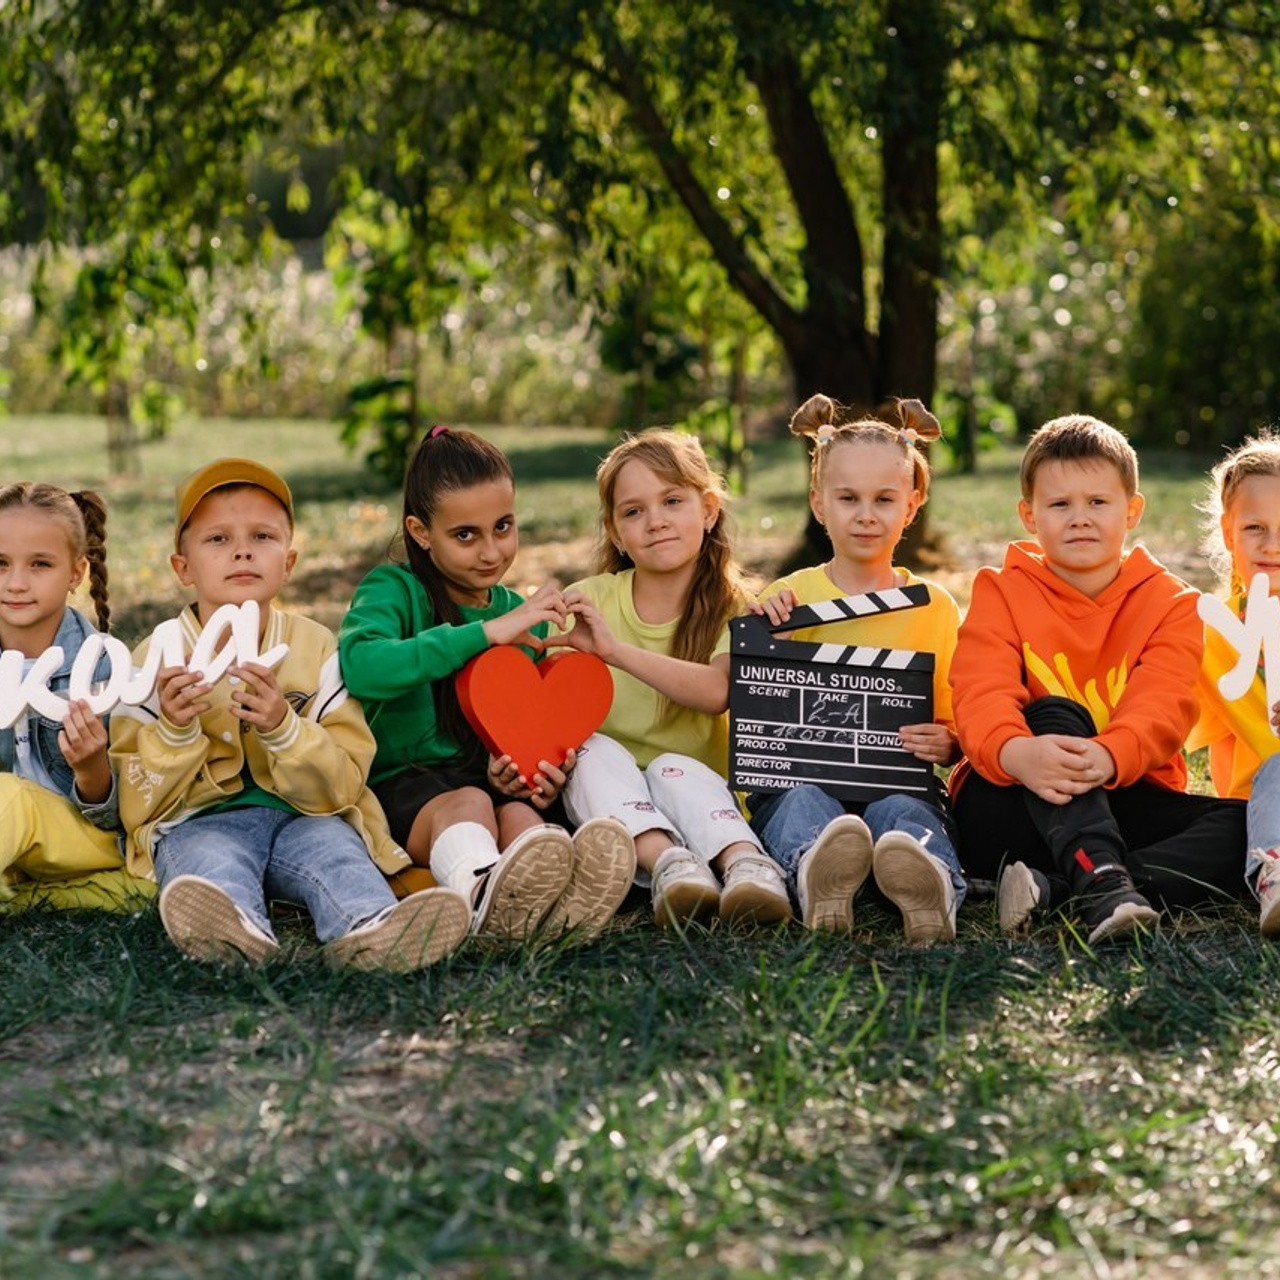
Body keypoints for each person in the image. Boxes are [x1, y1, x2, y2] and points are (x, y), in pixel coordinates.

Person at [110, 458, 470, 970]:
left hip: (304, 817)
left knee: (338, 855)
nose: (241, 550)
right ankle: (235, 930)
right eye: (217, 539)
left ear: (289, 562)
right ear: (182, 567)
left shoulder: (316, 649)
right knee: (210, 866)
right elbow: (136, 801)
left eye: (262, 536)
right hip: (199, 823)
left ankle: (371, 928)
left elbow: (344, 783)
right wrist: (174, 728)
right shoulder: (158, 657)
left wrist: (284, 728)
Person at [950, 414, 1245, 943]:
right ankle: (1105, 882)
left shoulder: (1170, 603)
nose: (1079, 518)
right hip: (1008, 800)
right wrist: (1018, 752)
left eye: (1098, 503)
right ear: (1029, 515)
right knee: (1056, 714)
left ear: (1132, 511)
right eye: (1060, 505)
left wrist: (1109, 756)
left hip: (1124, 793)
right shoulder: (1000, 590)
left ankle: (1068, 889)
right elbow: (979, 691)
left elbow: (1164, 705)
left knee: (1248, 829)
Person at [338, 427, 636, 941]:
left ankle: (555, 906)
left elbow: (516, 724)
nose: (491, 551)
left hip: (482, 781)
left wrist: (528, 770)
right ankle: (480, 894)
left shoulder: (522, 618)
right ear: (421, 531)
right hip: (407, 784)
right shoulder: (394, 589)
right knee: (471, 806)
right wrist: (484, 634)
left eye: (503, 526)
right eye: (465, 535)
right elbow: (363, 666)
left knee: (521, 814)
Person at [747, 395, 966, 944]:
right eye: (848, 498)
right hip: (802, 777)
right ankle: (818, 875)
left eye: (884, 499)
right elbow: (751, 709)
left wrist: (949, 740)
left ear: (912, 505)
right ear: (819, 504)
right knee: (799, 804)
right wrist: (769, 636)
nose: (866, 514)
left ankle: (932, 884)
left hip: (895, 779)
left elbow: (956, 712)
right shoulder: (788, 597)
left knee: (906, 813)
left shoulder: (934, 606)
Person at [555, 428, 791, 929]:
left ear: (708, 510)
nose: (655, 521)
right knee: (591, 751)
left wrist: (614, 652)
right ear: (615, 532)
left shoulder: (738, 608)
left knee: (672, 769)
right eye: (633, 511)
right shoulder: (590, 600)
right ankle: (672, 869)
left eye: (672, 500)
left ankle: (747, 867)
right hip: (613, 807)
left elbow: (716, 692)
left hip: (700, 799)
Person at [0, 483, 151, 912]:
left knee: (8, 794)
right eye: (1, 563)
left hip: (80, 840)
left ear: (75, 574)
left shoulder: (106, 672)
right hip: (12, 847)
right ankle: (22, 899)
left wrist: (91, 769)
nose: (16, 583)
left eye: (40, 564)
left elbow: (130, 814)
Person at [1189, 430, 1280, 933]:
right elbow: (1176, 729)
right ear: (1228, 533)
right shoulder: (1212, 634)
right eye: (1254, 528)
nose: (1272, 546)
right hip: (1251, 813)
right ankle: (1275, 874)